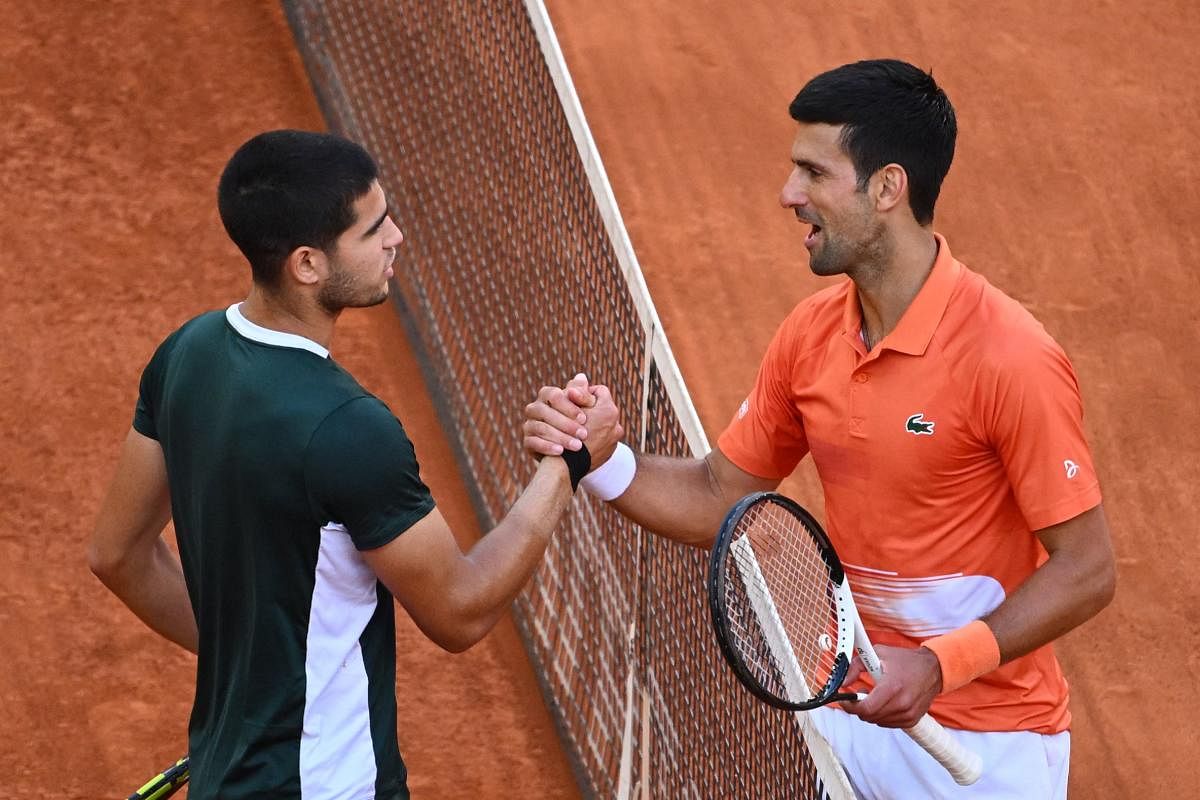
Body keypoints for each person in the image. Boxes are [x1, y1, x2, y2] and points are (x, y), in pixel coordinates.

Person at [523, 59, 1115, 799]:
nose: (788, 196)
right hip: (849, 726)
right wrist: (604, 461)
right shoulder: (811, 335)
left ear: (887, 187)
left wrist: (937, 665)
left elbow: (1087, 569)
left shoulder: (1010, 358)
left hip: (986, 753)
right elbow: (719, 494)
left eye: (813, 173)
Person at [88, 129, 620, 800]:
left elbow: (117, 554)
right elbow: (458, 611)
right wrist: (566, 467)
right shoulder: (348, 430)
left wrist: (257, 677)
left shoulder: (186, 355)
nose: (396, 236)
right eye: (372, 231)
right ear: (307, 265)